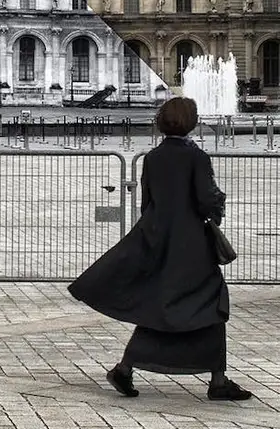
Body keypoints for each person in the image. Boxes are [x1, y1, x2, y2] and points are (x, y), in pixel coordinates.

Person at [68, 96, 251, 401]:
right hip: (189, 242)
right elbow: (206, 200)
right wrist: (218, 205)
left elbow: (147, 204)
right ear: (190, 123)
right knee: (210, 302)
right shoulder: (196, 157)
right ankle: (216, 380)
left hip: (157, 237)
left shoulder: (152, 157)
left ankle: (126, 369)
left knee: (163, 306)